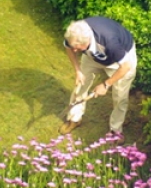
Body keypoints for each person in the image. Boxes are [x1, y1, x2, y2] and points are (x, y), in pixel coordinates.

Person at [59, 16, 137, 145]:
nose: (74, 50)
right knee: (80, 86)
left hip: (121, 61)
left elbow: (126, 67)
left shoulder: (110, 41)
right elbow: (69, 48)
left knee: (119, 96)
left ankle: (115, 130)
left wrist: (106, 84)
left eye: (77, 48)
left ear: (87, 41)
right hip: (92, 58)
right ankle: (75, 118)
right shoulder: (74, 36)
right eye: (74, 46)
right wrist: (77, 70)